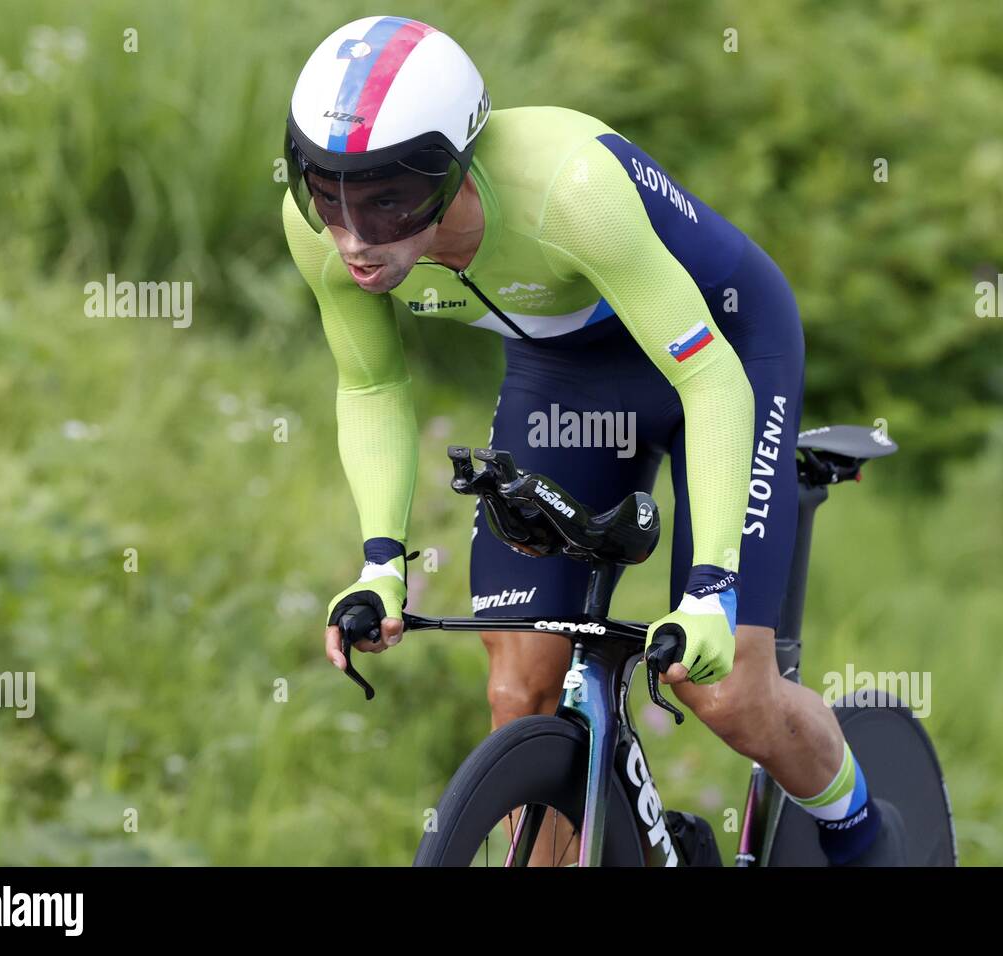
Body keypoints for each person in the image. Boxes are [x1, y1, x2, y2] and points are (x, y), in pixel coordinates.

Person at [283, 15, 903, 865]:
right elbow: (373, 384)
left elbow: (710, 380)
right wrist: (379, 567)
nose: (354, 235)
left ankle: (865, 834)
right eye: (331, 193)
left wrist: (713, 589)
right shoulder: (319, 232)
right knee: (518, 686)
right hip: (566, 372)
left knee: (724, 693)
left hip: (722, 344)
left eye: (387, 200)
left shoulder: (567, 190)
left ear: (455, 167)